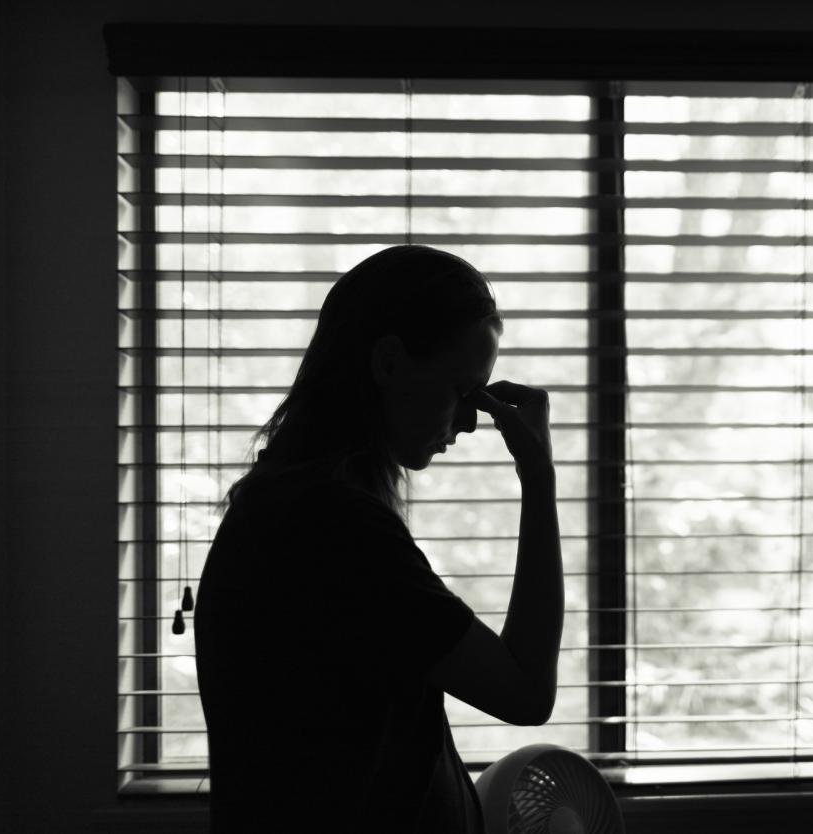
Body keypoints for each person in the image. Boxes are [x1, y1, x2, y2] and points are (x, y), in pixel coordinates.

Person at [194, 244, 563, 833]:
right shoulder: (334, 530)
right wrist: (538, 478)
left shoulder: (293, 504)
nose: (470, 421)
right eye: (461, 390)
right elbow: (524, 694)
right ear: (389, 363)